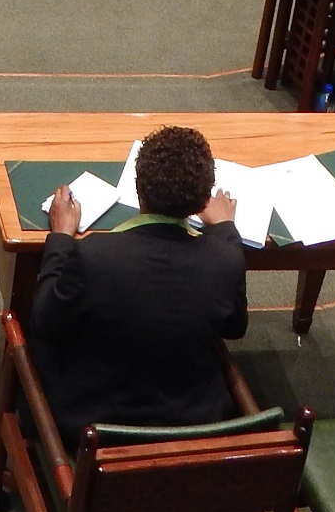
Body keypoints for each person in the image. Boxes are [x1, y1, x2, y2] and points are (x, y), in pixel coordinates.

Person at [31, 124, 247, 442]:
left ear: (137, 187)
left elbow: (46, 323)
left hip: (97, 428)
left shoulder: (94, 256)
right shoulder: (225, 259)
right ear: (204, 203)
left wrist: (61, 237)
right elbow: (234, 328)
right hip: (193, 428)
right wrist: (226, 228)